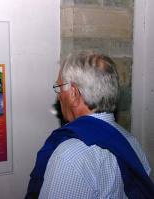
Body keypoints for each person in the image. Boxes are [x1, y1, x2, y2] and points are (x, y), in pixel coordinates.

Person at [25, 52, 154, 199]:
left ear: (73, 93)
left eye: (60, 87)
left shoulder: (69, 156)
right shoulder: (131, 142)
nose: (59, 95)